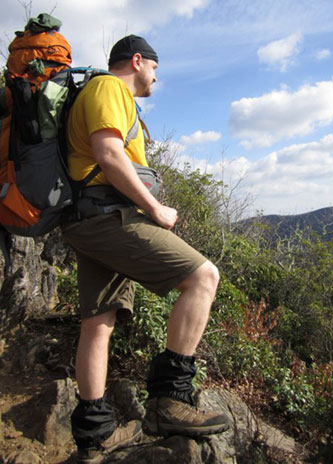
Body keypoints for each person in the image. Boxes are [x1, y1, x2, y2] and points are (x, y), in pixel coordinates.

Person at [61, 34, 230, 463]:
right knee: (203, 277)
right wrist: (155, 208)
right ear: (137, 61)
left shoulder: (105, 93)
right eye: (155, 68)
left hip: (90, 219)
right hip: (109, 219)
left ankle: (93, 437)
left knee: (98, 322)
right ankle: (169, 401)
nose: (156, 76)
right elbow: (108, 153)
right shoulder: (109, 87)